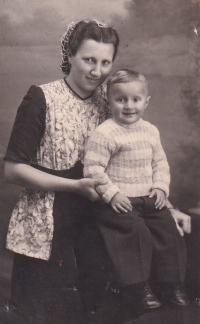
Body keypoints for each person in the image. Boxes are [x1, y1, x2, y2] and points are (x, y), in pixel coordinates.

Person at [4, 18, 192, 323]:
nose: (97, 71)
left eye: (106, 62)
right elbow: (12, 171)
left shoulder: (113, 103)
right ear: (70, 56)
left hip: (101, 227)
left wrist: (166, 207)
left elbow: (139, 163)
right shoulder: (41, 98)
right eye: (89, 60)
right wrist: (76, 186)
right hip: (49, 227)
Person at [84, 69, 190, 312]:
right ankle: (137, 288)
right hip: (120, 201)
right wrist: (112, 193)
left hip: (149, 197)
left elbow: (160, 164)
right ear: (109, 101)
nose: (129, 106)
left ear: (146, 101)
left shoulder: (150, 131)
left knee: (168, 230)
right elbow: (93, 170)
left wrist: (161, 187)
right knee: (134, 232)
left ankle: (171, 284)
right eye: (121, 99)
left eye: (135, 99)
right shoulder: (105, 133)